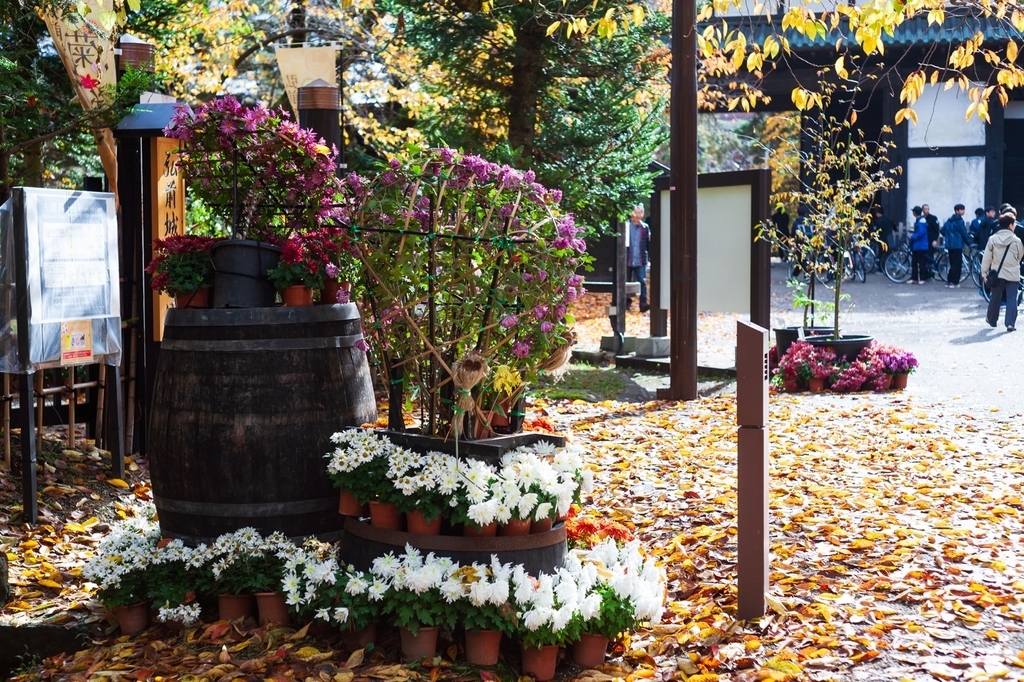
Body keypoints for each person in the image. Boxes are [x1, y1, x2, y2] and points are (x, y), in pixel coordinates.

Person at [982, 212, 1024, 331]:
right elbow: (1020, 256)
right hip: (1013, 274)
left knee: (996, 297)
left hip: (997, 273)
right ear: (1010, 225)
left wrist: (984, 273)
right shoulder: (1016, 240)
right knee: (1012, 298)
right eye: (1014, 223)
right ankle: (1010, 323)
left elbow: (987, 258)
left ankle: (992, 319)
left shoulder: (992, 239)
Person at [624, 204, 650, 313]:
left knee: (642, 282)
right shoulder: (626, 226)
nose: (637, 215)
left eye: (640, 212)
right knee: (626, 281)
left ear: (643, 214)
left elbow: (648, 244)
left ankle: (643, 303)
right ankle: (626, 302)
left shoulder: (645, 227)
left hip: (640, 259)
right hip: (627, 259)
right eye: (635, 212)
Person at [940, 204, 971, 287]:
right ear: (957, 211)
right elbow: (964, 233)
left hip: (949, 245)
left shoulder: (948, 221)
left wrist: (948, 235)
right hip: (957, 245)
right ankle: (955, 282)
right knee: (957, 265)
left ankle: (949, 281)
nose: (963, 211)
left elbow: (942, 231)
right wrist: (969, 243)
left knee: (952, 263)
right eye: (961, 210)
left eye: (963, 209)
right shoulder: (959, 221)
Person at [909, 206, 930, 285]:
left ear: (914, 213)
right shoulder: (921, 220)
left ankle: (923, 278)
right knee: (914, 262)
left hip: (920, 245)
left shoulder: (921, 221)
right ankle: (914, 278)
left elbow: (921, 232)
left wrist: (912, 237)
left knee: (921, 263)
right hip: (918, 245)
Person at [922, 204, 940, 280]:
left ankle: (931, 275)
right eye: (925, 209)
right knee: (924, 258)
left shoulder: (933, 218)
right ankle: (925, 275)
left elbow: (936, 230)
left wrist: (935, 240)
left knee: (930, 257)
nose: (926, 210)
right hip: (923, 241)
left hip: (930, 240)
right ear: (922, 210)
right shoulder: (922, 218)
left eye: (928, 209)